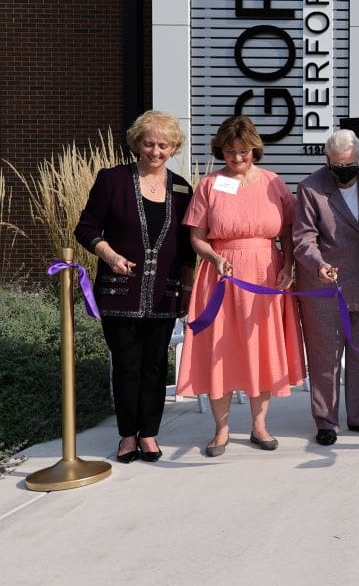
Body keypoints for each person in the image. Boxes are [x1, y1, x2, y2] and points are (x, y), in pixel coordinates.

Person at [176, 115, 306, 456]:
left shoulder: (273, 183)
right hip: (222, 274)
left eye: (243, 151)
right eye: (230, 152)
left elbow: (289, 231)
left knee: (259, 346)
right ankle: (221, 429)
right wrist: (215, 258)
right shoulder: (210, 185)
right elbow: (197, 238)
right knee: (220, 347)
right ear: (222, 150)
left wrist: (289, 265)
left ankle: (259, 425)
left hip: (266, 271)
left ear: (255, 149)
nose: (236, 158)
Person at [74, 110, 195, 463]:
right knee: (128, 364)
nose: (155, 152)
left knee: (155, 366)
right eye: (148, 144)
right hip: (119, 291)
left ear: (173, 148)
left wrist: (186, 291)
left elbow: (187, 248)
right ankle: (128, 435)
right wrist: (109, 255)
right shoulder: (112, 180)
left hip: (164, 293)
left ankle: (150, 435)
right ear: (137, 144)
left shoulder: (182, 188)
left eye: (163, 145)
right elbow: (86, 227)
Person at [293, 129, 359, 447]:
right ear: (327, 161)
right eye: (337, 167)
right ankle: (326, 421)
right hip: (325, 282)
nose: (344, 173)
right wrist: (317, 262)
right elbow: (303, 236)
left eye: (350, 166)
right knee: (325, 356)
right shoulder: (311, 187)